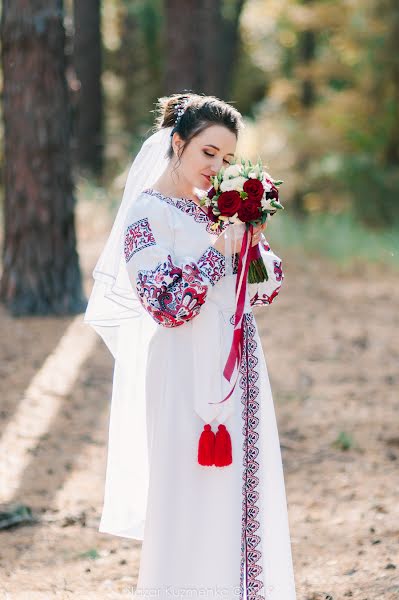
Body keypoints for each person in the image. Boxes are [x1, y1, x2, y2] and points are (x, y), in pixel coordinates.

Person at [84, 92, 297, 599]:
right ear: (177, 143)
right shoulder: (144, 216)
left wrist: (251, 243)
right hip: (183, 370)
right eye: (207, 153)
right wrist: (218, 246)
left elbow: (267, 290)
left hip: (239, 364)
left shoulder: (216, 213)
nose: (215, 167)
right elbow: (168, 304)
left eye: (226, 158)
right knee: (187, 494)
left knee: (240, 490)